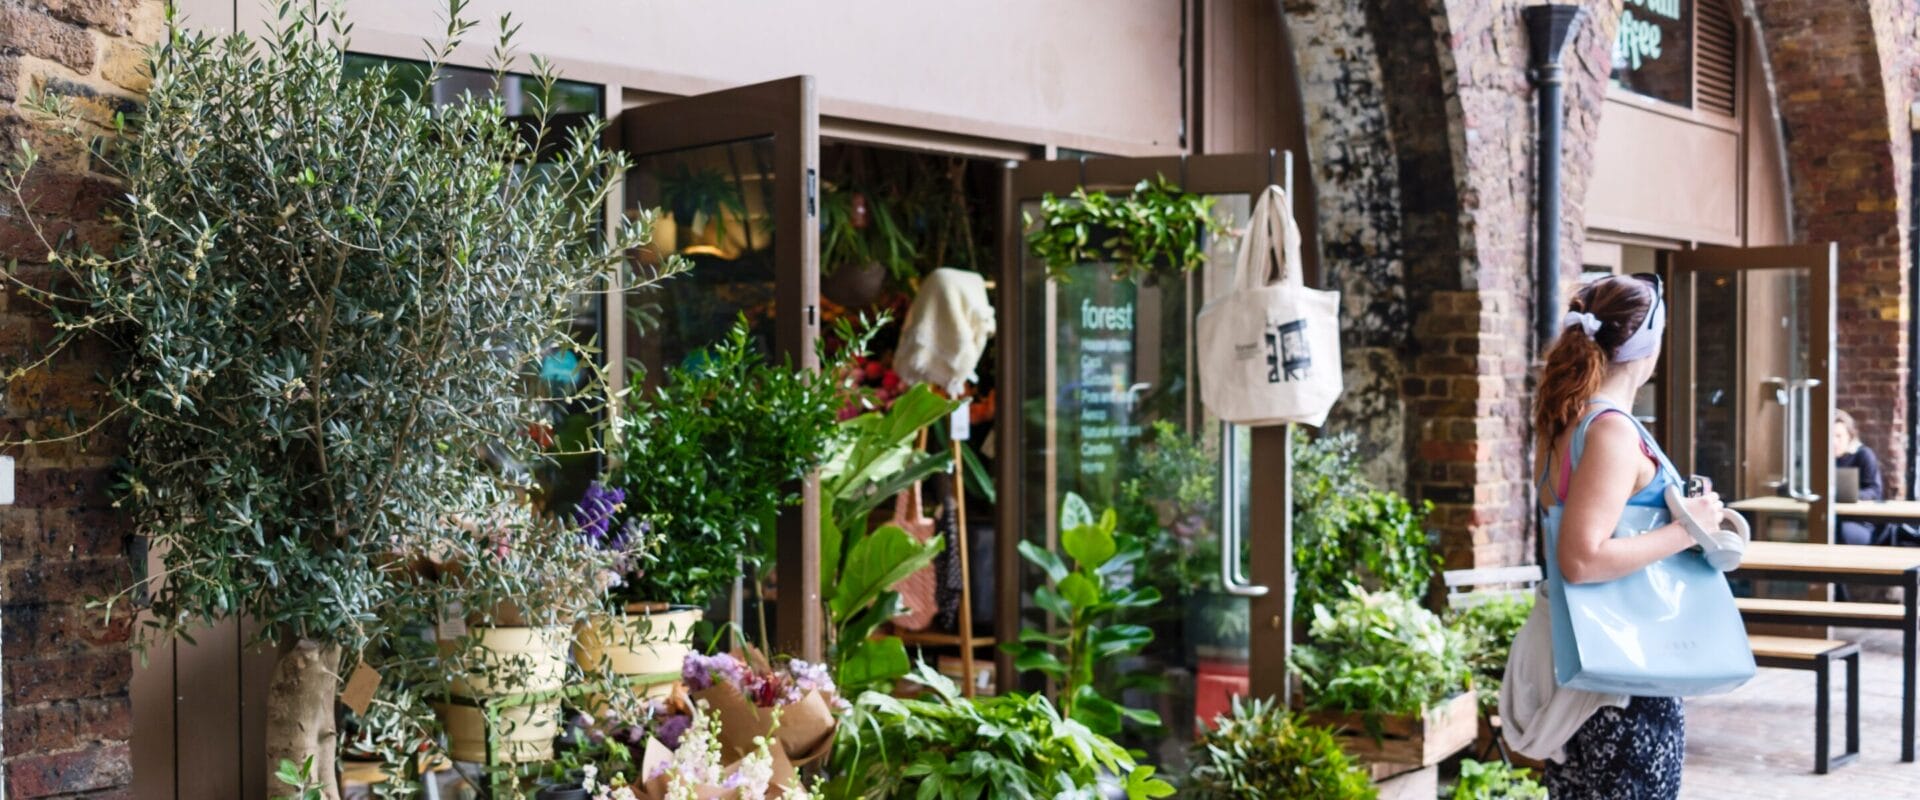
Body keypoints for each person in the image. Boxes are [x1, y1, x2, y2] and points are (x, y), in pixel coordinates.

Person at [1499, 274, 1724, 799]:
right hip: (1623, 674)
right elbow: (1582, 557)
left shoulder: (1566, 420)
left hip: (1582, 659)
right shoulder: (1610, 430)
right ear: (1651, 344)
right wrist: (1688, 528)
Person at [1834, 409, 1890, 546]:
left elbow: (1875, 491)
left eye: (1838, 436)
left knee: (1840, 532)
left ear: (1850, 436)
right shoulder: (1818, 458)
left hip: (1858, 521)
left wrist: (1852, 496)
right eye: (1829, 436)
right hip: (1828, 517)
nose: (1833, 442)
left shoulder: (1863, 455)